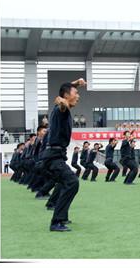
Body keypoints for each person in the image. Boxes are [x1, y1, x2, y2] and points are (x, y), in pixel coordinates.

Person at [41, 78, 85, 231]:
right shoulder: (61, 109)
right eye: (76, 93)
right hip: (53, 157)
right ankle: (56, 222)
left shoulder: (59, 107)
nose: (78, 96)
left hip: (55, 156)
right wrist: (62, 102)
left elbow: (64, 90)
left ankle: (62, 216)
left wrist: (76, 83)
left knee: (63, 182)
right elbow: (62, 105)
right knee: (72, 182)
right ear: (67, 96)